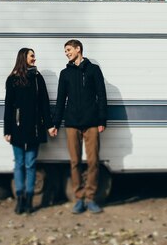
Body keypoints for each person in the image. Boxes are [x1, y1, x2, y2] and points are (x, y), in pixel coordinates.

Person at [49, 39, 107, 214]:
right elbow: (60, 101)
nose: (66, 53)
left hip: (91, 123)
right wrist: (55, 124)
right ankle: (79, 198)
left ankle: (91, 198)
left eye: (68, 50)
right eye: (65, 51)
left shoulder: (94, 70)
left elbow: (102, 96)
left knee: (93, 162)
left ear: (78, 49)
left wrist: (102, 120)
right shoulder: (65, 73)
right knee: (75, 162)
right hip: (72, 123)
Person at [4, 48, 52, 214]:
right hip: (17, 128)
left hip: (35, 128)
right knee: (19, 164)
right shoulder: (12, 79)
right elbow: (8, 107)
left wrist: (50, 125)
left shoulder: (38, 78)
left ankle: (30, 200)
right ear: (23, 58)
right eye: (32, 55)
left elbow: (45, 103)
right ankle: (20, 200)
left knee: (31, 164)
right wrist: (7, 130)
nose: (34, 58)